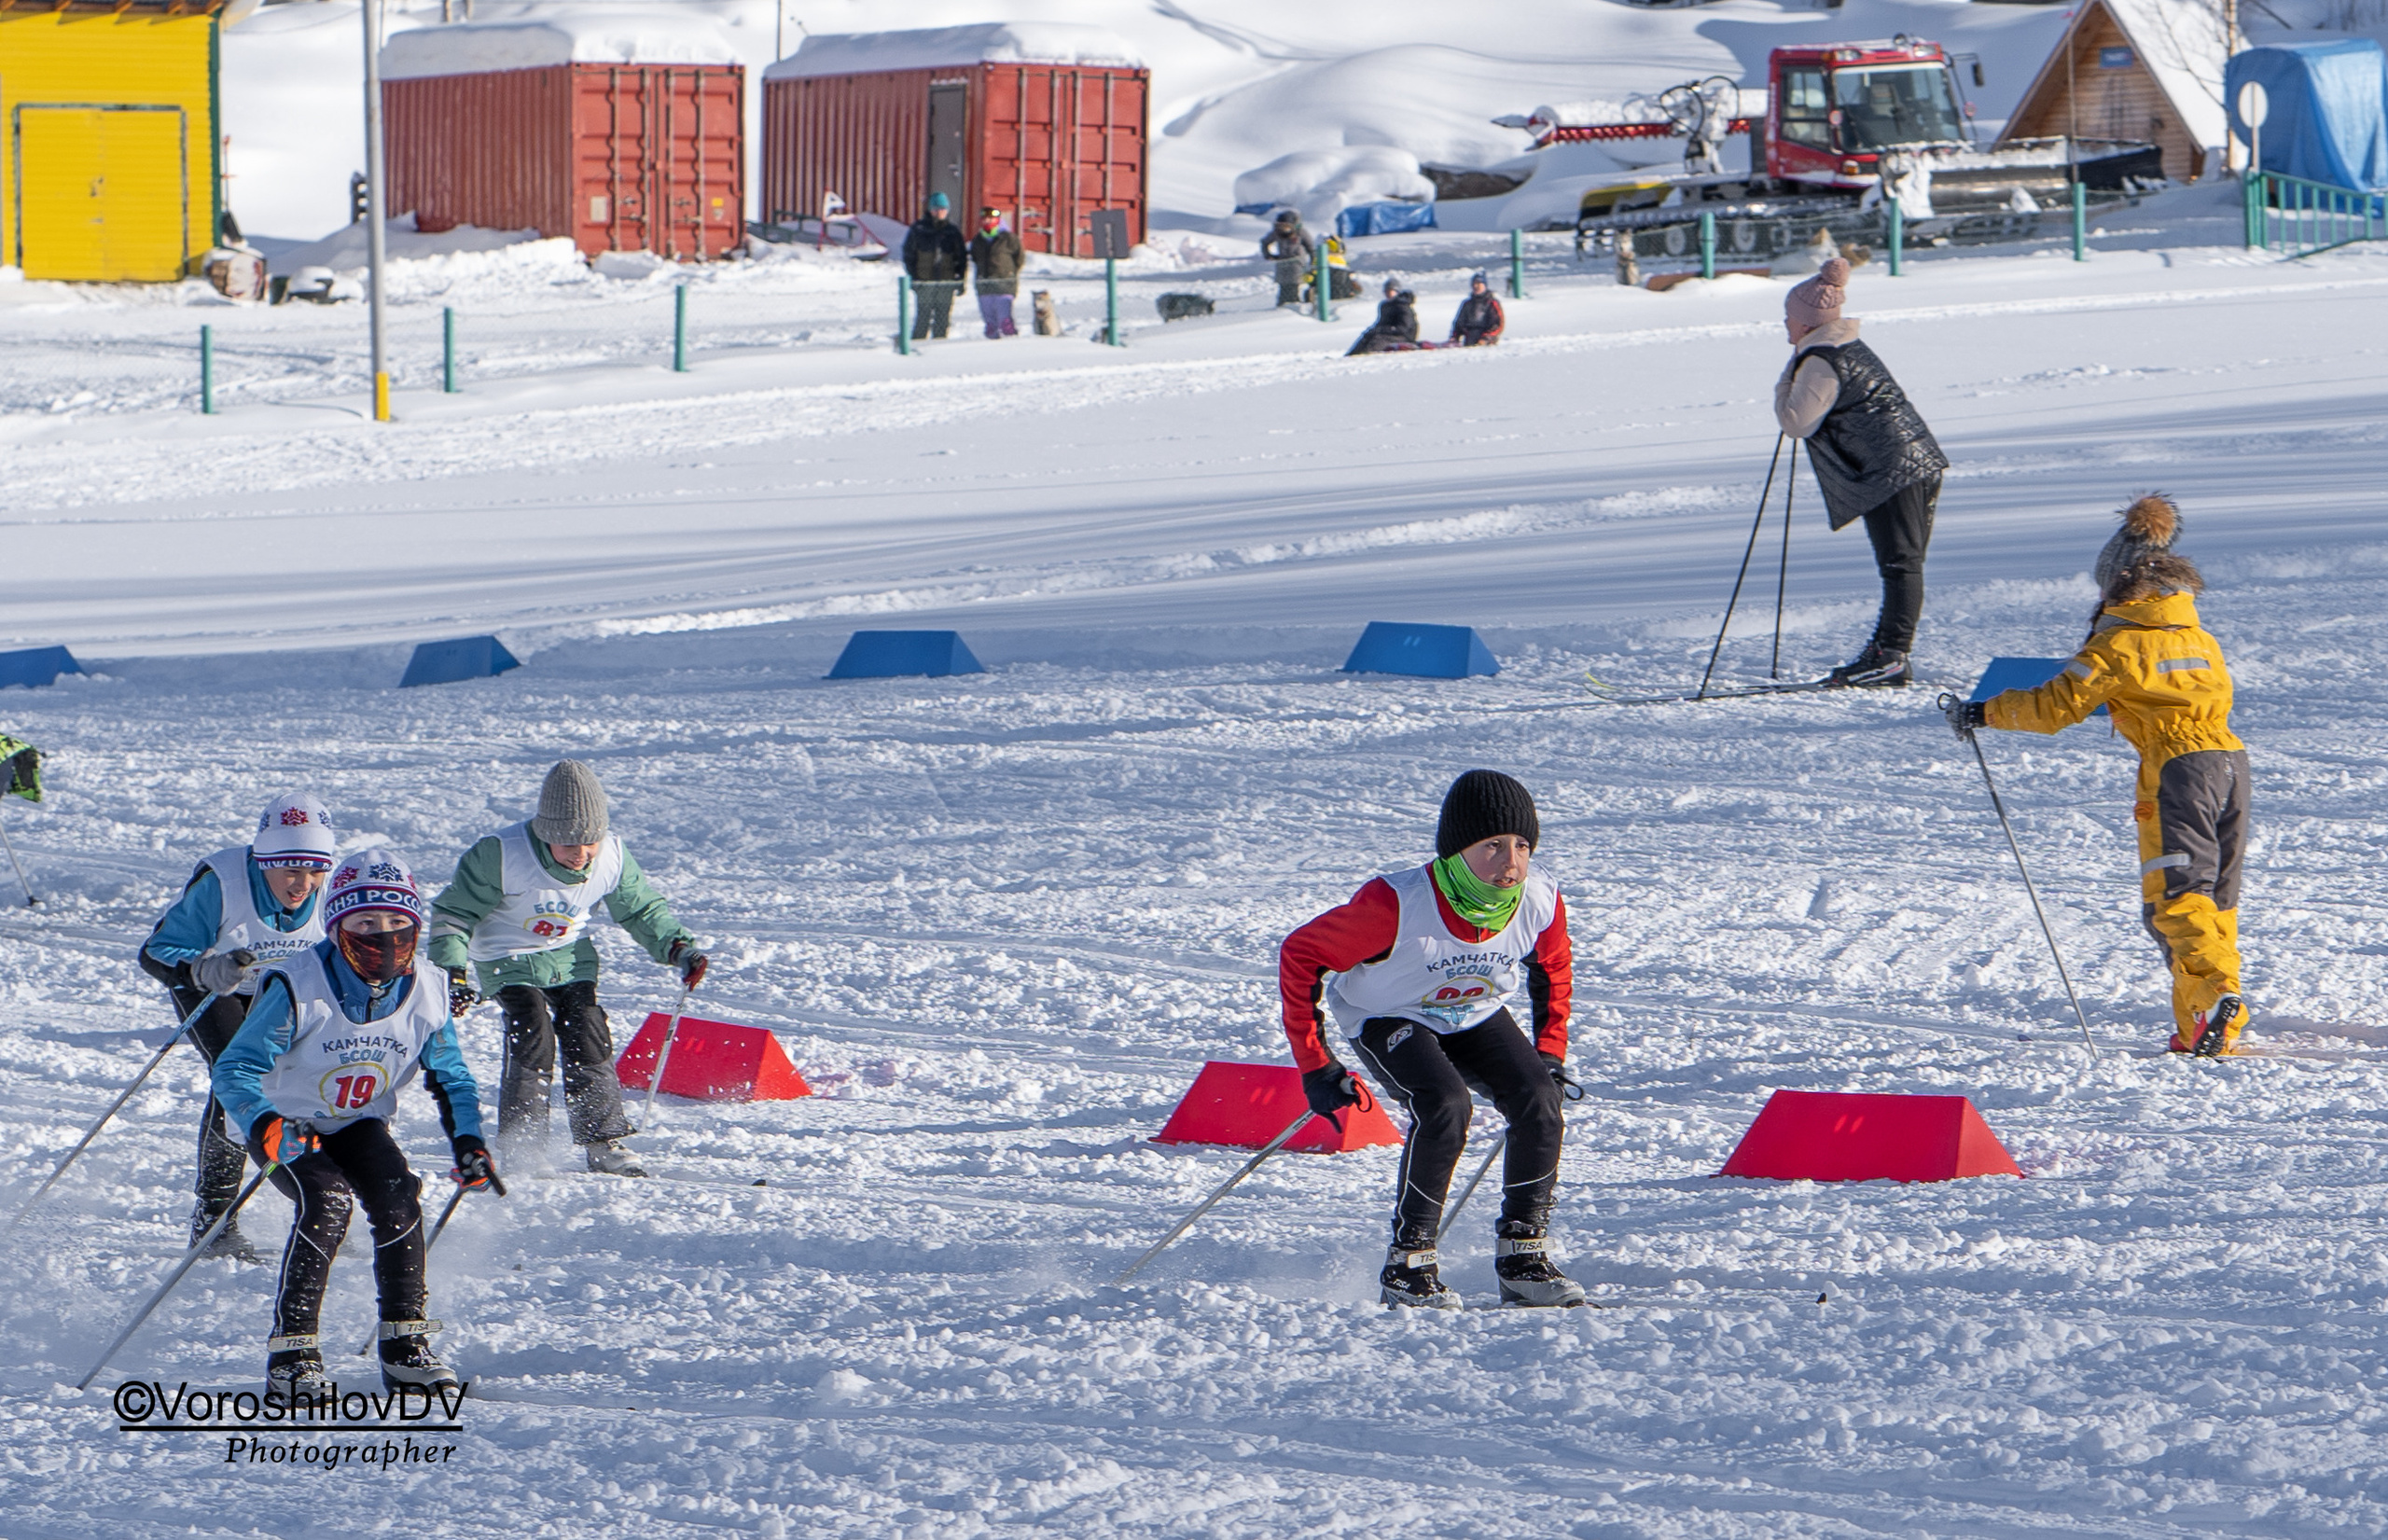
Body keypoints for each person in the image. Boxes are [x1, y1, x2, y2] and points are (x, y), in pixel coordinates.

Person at [1946, 495, 2252, 1056]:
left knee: (2176, 897)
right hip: (2231, 763)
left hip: (2178, 771)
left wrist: (1984, 710)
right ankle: (2200, 1026)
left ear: (2118, 587)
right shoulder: (2198, 636)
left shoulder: (2118, 642)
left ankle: (2215, 994)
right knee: (2213, 897)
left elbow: (2056, 707)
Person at [1279, 770, 1583, 1310]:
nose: (1511, 863)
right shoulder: (1393, 904)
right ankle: (1408, 1263)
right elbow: (1301, 955)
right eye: (1491, 846)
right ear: (1455, 851)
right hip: (1389, 1014)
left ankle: (1522, 1256)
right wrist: (1316, 1066)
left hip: (1473, 1012)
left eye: (1522, 846)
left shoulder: (1540, 899)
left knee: (1540, 1098)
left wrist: (1550, 1051)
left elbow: (1553, 970)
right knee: (1445, 1104)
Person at [212, 850, 495, 1399]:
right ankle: (292, 1355)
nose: (383, 938)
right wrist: (264, 1122)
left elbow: (452, 1076)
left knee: (399, 1198)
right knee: (326, 1200)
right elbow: (235, 1067)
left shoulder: (430, 989)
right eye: (365, 924)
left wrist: (468, 1139)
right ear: (338, 926)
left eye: (397, 924)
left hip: (356, 1120)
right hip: (283, 1122)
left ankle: (405, 1347)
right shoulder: (297, 985)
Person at [425, 760, 707, 1177]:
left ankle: (602, 1139)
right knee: (533, 1028)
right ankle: (524, 1144)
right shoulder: (500, 854)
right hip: (506, 956)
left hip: (568, 955)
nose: (580, 855)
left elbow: (641, 908)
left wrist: (677, 946)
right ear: (544, 834)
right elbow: (454, 913)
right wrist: (452, 969)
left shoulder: (612, 854)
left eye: (588, 843)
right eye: (567, 845)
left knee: (587, 1026)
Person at [139, 792, 337, 1262]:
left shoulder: (330, 890)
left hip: (276, 995)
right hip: (213, 987)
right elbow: (157, 950)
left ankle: (324, 1204)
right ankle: (214, 1224)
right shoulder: (224, 882)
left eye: (315, 870)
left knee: (309, 1080)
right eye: (290, 869)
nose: (303, 884)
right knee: (238, 1078)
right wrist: (202, 969)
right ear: (263, 859)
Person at [1773, 257, 1949, 687]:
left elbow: (1796, 421)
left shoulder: (1821, 359)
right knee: (1902, 563)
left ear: (1806, 322)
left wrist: (1785, 381)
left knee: (1901, 564)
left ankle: (1890, 657)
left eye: (1789, 319)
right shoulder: (1837, 348)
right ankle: (1887, 653)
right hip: (1904, 465)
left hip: (1896, 470)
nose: (1785, 326)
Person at [901, 192, 968, 340]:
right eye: (936, 208)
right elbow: (909, 255)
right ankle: (917, 344)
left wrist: (960, 279)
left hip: (946, 282)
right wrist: (914, 277)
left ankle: (939, 346)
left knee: (943, 317)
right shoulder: (919, 229)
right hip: (924, 281)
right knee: (923, 316)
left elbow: (961, 259)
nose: (940, 212)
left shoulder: (952, 231)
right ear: (930, 210)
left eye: (943, 209)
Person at [969, 207, 1023, 339]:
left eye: (991, 218)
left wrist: (1009, 272)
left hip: (1004, 285)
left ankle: (1012, 344)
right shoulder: (978, 240)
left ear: (998, 220)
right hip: (985, 286)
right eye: (985, 218)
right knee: (990, 324)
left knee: (1005, 322)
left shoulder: (1008, 238)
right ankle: (991, 348)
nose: (988, 221)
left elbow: (1019, 258)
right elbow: (975, 258)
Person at [1346, 277, 1418, 356]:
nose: (1387, 294)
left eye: (1390, 291)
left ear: (1396, 291)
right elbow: (1381, 322)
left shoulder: (1402, 306)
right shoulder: (1385, 306)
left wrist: (1383, 330)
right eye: (1386, 291)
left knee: (1378, 339)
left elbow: (1404, 328)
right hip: (1390, 333)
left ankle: (1365, 354)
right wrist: (1374, 329)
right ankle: (1351, 355)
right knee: (1367, 335)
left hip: (1403, 336)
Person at [1260, 210, 1314, 307]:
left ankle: (1293, 303)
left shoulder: (1301, 233)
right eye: (1280, 226)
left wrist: (1313, 261)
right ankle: (1282, 303)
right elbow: (1264, 242)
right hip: (1283, 263)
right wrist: (1268, 255)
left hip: (1297, 263)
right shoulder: (1276, 233)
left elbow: (1311, 248)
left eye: (1286, 226)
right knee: (1283, 284)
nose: (1283, 229)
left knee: (1293, 284)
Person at [1449, 271, 1505, 346]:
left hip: (1487, 341)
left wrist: (1486, 338)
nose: (1476, 286)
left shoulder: (1492, 303)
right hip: (1470, 339)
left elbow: (1498, 324)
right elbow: (1459, 323)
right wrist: (1455, 337)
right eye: (1474, 284)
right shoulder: (1467, 304)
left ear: (1484, 285)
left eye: (1479, 284)